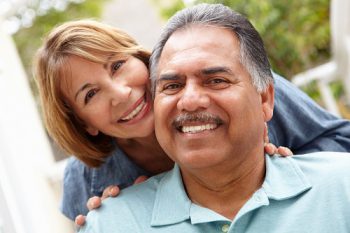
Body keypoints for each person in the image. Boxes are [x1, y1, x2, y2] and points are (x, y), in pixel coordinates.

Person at [33, 18, 350, 223]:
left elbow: (341, 142)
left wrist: (292, 169)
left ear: (141, 59)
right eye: (91, 94)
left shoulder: (242, 91)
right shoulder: (87, 181)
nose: (120, 93)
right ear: (84, 122)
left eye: (117, 66)